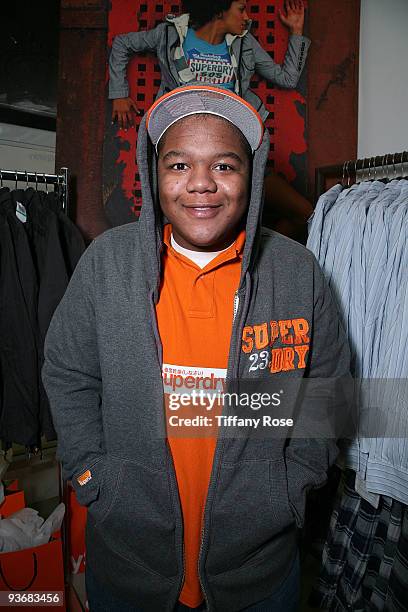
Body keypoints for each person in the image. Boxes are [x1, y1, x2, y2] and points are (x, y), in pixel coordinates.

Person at [42, 86, 350, 612]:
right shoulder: (105, 265)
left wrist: (290, 488)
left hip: (260, 575)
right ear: (152, 172)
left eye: (225, 166)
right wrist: (94, 476)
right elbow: (68, 373)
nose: (201, 185)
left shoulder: (299, 275)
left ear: (251, 176)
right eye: (179, 164)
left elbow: (330, 395)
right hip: (129, 571)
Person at [109, 0, 310, 130]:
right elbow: (122, 43)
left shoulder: (245, 43)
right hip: (180, 126)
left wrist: (296, 32)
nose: (247, 17)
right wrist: (119, 94)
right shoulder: (170, 34)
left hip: (229, 129)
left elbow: (288, 78)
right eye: (241, 9)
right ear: (220, 11)